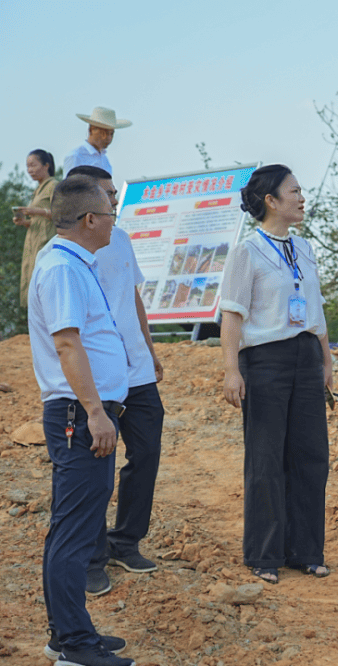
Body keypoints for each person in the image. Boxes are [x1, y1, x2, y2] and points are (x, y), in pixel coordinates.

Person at [28, 175, 134, 666]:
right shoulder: (64, 268)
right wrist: (95, 411)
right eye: (110, 212)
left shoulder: (71, 263)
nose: (115, 220)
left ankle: (67, 633)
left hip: (80, 410)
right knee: (72, 533)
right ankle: (74, 646)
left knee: (72, 527)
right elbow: (68, 343)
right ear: (90, 220)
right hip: (78, 413)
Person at [52, 166, 164, 597]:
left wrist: (150, 352)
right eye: (107, 194)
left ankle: (125, 540)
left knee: (147, 452)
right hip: (96, 378)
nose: (115, 201)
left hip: (134, 370)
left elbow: (133, 296)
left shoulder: (119, 239)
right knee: (95, 467)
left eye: (115, 194)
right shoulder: (65, 254)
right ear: (86, 204)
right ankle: (93, 557)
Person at [219, 164, 333, 584]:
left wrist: (325, 360)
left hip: (305, 356)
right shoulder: (246, 252)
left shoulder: (303, 248)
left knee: (310, 456)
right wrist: (232, 370)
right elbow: (232, 315)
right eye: (294, 191)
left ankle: (306, 550)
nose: (302, 198)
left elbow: (316, 310)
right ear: (271, 200)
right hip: (264, 361)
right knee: (266, 458)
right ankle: (264, 554)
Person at [13, 149, 58, 307]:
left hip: (46, 241)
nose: (30, 170)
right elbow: (39, 221)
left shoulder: (53, 185)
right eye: (27, 166)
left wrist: (37, 211)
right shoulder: (38, 189)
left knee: (44, 283)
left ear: (46, 165)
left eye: (33, 165)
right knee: (31, 279)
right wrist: (25, 221)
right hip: (34, 241)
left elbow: (62, 213)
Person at [63, 107, 131, 178]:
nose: (108, 138)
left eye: (111, 134)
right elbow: (68, 187)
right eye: (103, 133)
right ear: (91, 130)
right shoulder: (75, 156)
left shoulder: (105, 160)